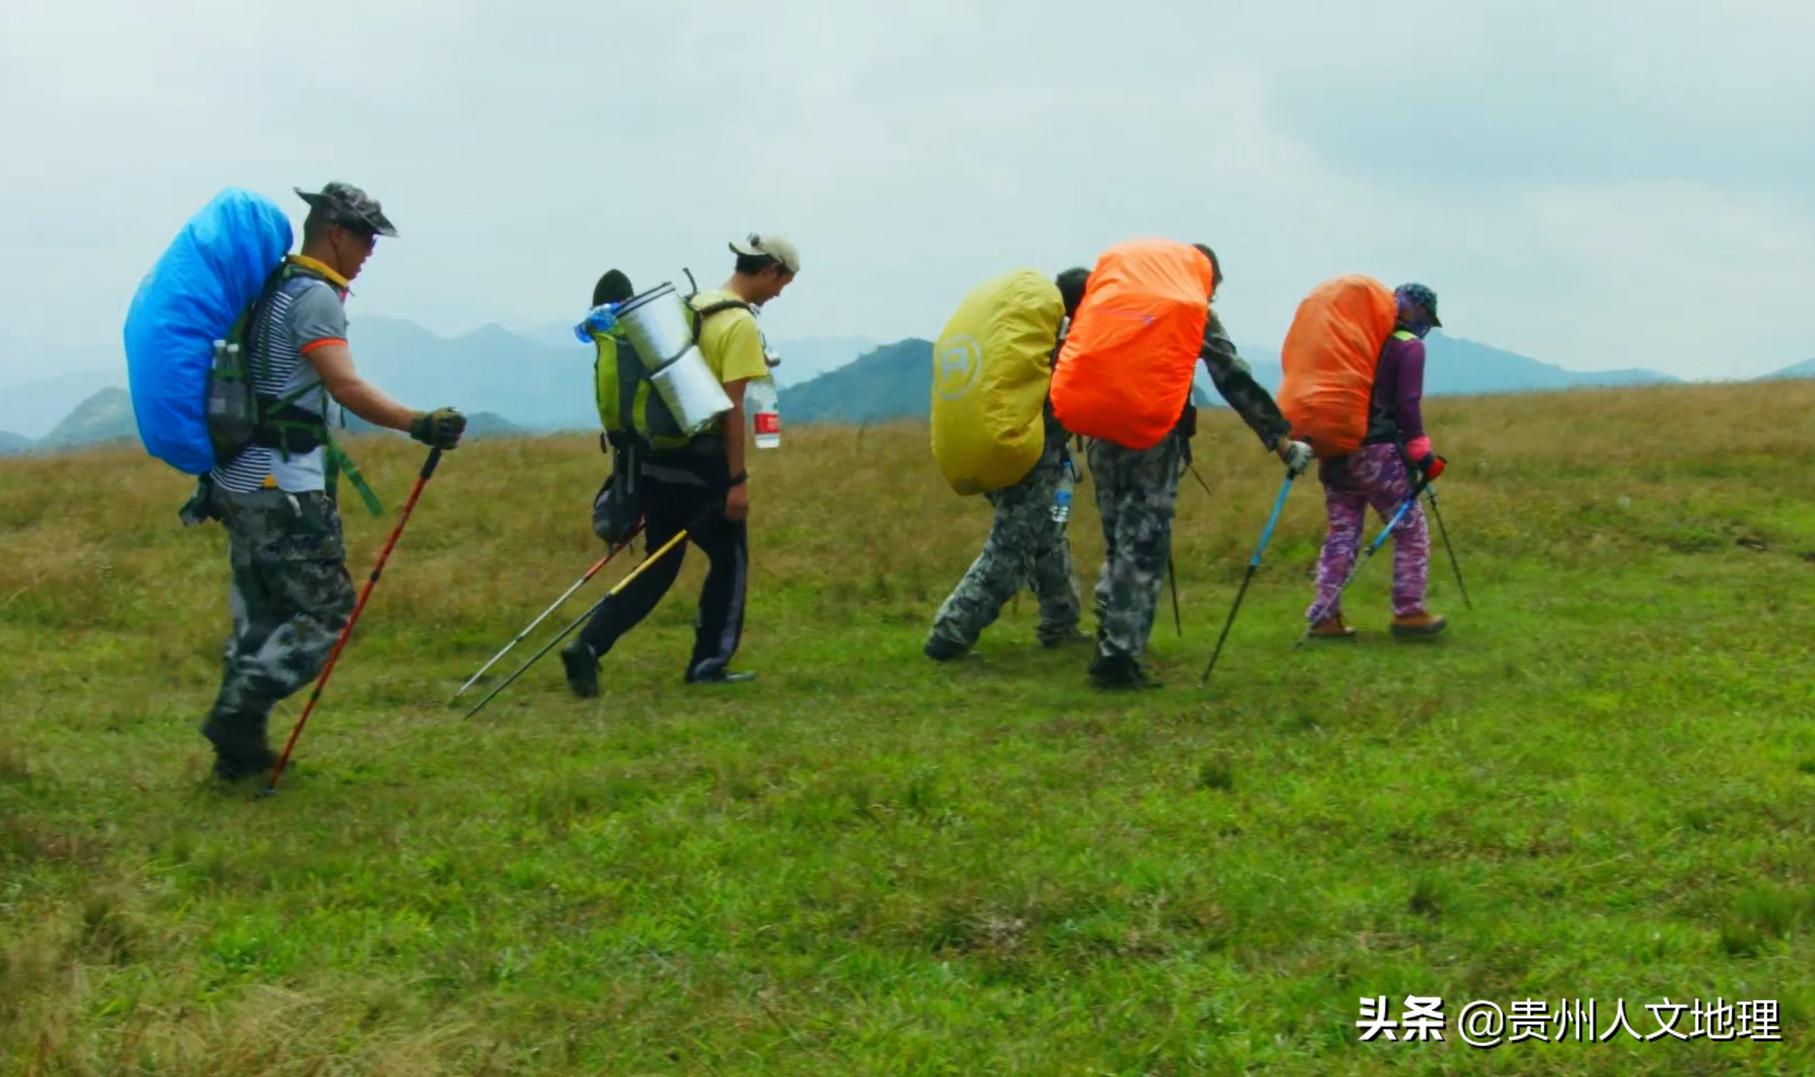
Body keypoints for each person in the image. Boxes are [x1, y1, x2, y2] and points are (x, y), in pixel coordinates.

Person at [198, 182, 466, 779]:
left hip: (239, 479)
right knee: (327, 613)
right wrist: (418, 423)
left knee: (261, 617)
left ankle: (236, 756)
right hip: (285, 486)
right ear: (335, 232)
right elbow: (345, 386)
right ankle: (237, 714)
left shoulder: (272, 290)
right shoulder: (315, 298)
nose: (370, 249)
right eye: (366, 236)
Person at [561, 234, 798, 693]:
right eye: (783, 282)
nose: (781, 292)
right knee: (730, 560)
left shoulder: (693, 306)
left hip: (658, 456)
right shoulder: (739, 325)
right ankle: (709, 664)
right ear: (769, 270)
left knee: (660, 564)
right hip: (703, 461)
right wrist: (736, 481)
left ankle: (588, 645)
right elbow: (731, 409)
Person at [1080, 244, 1311, 689]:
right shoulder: (1189, 308)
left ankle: (1109, 640)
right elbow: (1231, 375)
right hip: (1151, 438)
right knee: (1142, 548)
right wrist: (1280, 442)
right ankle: (1119, 660)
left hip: (1100, 433)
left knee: (1117, 543)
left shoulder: (1117, 305)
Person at [923, 268, 1090, 660]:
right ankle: (951, 631)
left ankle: (1060, 623)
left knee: (1047, 537)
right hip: (1031, 460)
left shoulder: (1027, 344)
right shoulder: (1057, 348)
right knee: (1012, 546)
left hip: (1006, 449)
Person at [1307, 283, 1447, 639]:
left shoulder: (1360, 342)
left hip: (1336, 446)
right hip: (1377, 450)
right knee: (1411, 529)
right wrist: (1421, 451)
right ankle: (1409, 612)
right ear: (1416, 312)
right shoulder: (1408, 346)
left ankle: (1325, 616)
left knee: (1342, 532)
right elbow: (1408, 405)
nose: (1425, 325)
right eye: (1427, 317)